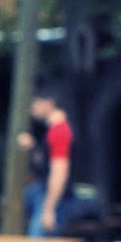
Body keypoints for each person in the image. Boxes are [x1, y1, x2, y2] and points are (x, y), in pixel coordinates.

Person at [17, 87, 74, 234]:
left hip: (52, 196)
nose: (31, 109)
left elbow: (59, 171)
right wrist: (33, 148)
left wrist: (49, 209)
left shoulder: (60, 131)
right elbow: (46, 162)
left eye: (34, 104)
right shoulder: (53, 130)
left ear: (48, 103)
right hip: (45, 192)